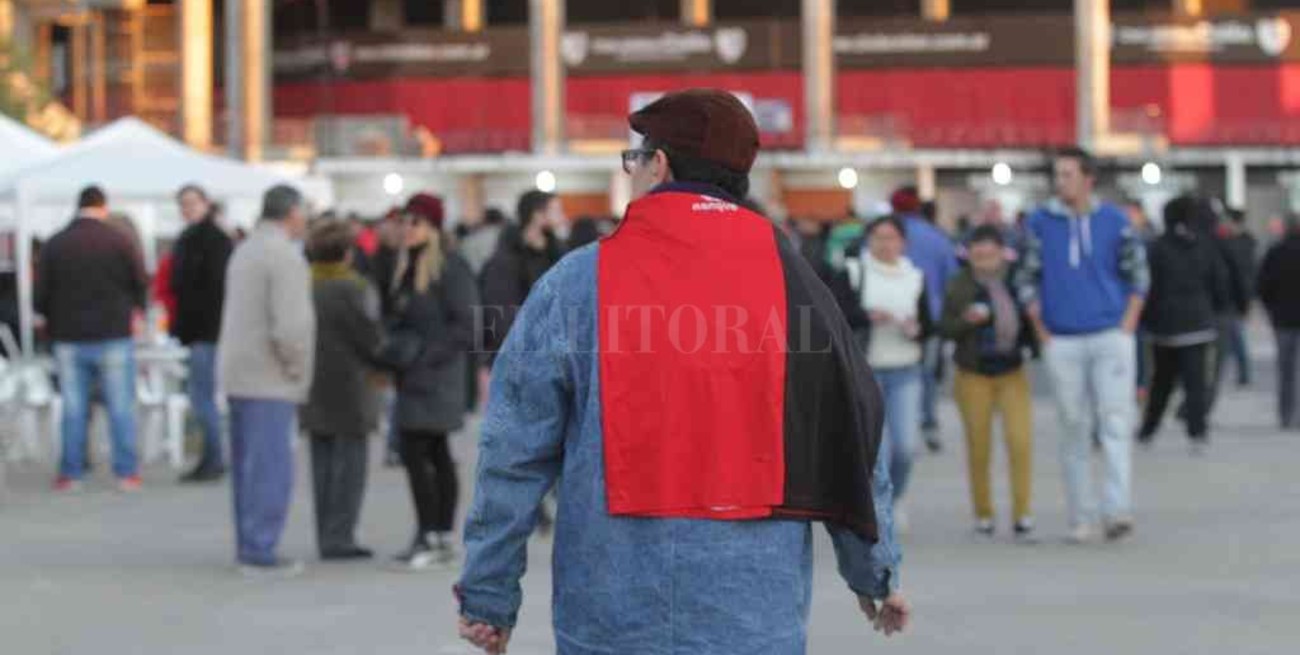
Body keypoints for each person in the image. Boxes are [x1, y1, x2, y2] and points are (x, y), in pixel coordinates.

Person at [456, 89, 907, 655]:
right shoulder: (799, 286)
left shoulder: (577, 282)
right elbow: (854, 430)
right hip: (751, 608)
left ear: (660, 164)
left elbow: (513, 450)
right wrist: (874, 569)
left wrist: (488, 594)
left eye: (634, 160)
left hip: (610, 610)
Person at [1016, 147, 1149, 544]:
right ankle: (1081, 514)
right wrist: (1042, 331)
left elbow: (1138, 273)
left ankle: (1117, 509)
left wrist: (1128, 324)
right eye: (1057, 175)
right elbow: (1026, 277)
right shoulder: (1041, 222)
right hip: (1062, 338)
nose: (1061, 182)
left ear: (1089, 178)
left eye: (1068, 174)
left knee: (1115, 421)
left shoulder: (1115, 220)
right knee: (1073, 426)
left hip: (1111, 335)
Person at [217, 185, 315, 577]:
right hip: (270, 375)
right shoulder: (284, 257)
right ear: (292, 212)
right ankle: (260, 549)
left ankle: (249, 543)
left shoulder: (246, 250)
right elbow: (291, 325)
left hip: (241, 373)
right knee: (271, 468)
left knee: (247, 468)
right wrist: (297, 367)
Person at [383, 193, 479, 570]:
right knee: (425, 452)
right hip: (414, 375)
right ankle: (434, 534)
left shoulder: (450, 267)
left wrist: (426, 356)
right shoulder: (406, 267)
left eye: (416, 222)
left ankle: (435, 534)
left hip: (437, 376)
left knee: (425, 451)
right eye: (404, 222)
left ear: (433, 228)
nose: (407, 229)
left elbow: (467, 324)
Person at [36, 186, 148, 492]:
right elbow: (140, 284)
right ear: (103, 207)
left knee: (74, 409)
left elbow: (40, 295)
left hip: (68, 336)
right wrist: (134, 311)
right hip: (113, 333)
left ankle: (72, 473)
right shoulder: (119, 241)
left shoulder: (56, 243)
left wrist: (52, 318)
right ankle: (126, 473)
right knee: (120, 406)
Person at [939, 225, 1037, 540]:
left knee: (1020, 441)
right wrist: (966, 320)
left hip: (1012, 371)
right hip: (972, 373)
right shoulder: (958, 284)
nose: (984, 258)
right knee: (979, 446)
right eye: (977, 253)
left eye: (989, 252)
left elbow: (1031, 318)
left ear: (1000, 252)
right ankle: (984, 513)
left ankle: (1022, 513)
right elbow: (944, 327)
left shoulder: (1015, 281)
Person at [835, 215, 932, 529]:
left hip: (906, 370)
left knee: (905, 447)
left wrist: (914, 328)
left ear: (903, 242)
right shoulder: (853, 272)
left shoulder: (914, 277)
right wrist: (867, 316)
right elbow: (836, 315)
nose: (885, 244)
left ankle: (897, 495)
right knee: (879, 448)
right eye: (878, 237)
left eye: (891, 238)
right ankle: (879, 506)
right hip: (867, 371)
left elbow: (929, 324)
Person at [301, 221, 385, 561]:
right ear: (348, 254)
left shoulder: (303, 287)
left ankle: (325, 534)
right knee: (351, 464)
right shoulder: (355, 288)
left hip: (312, 383)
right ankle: (342, 535)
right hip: (352, 385)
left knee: (320, 461)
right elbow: (371, 338)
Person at [1136, 196, 1230, 454]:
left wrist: (1146, 319)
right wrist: (1217, 309)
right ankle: (1197, 433)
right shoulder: (1204, 246)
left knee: (1161, 382)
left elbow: (1148, 287)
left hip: (1164, 327)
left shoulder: (1158, 248)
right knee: (1196, 383)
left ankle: (1148, 430)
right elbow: (1219, 282)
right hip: (1198, 325)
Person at [170, 184, 234, 482]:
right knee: (201, 397)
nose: (187, 208)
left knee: (202, 397)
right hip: (201, 330)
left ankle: (214, 456)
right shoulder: (194, 239)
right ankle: (212, 455)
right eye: (184, 204)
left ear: (205, 203)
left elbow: (212, 289)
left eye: (192, 203)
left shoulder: (213, 241)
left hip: (207, 330)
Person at [891, 186, 959, 453]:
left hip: (890, 316)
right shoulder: (937, 237)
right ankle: (928, 424)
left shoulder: (884, 235)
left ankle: (896, 426)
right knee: (927, 374)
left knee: (893, 373)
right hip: (930, 318)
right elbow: (950, 280)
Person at [479, 190, 566, 364]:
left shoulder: (557, 254)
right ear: (537, 215)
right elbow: (500, 313)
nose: (563, 217)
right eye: (557, 210)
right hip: (519, 357)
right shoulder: (506, 259)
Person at [1256, 213, 1300, 430]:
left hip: (1283, 320)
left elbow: (1263, 286)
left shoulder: (1275, 252)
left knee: (1286, 370)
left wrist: (1271, 310)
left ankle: (1286, 415)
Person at [1217, 208, 1258, 388]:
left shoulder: (1240, 244)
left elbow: (1244, 275)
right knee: (1235, 336)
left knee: (1234, 337)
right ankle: (1242, 374)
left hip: (1235, 297)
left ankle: (1242, 374)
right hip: (1235, 296)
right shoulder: (1245, 242)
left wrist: (1246, 301)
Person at [457, 207, 508, 277]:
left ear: (484, 220)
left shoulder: (469, 240)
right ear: (502, 221)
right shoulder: (506, 237)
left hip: (475, 281)